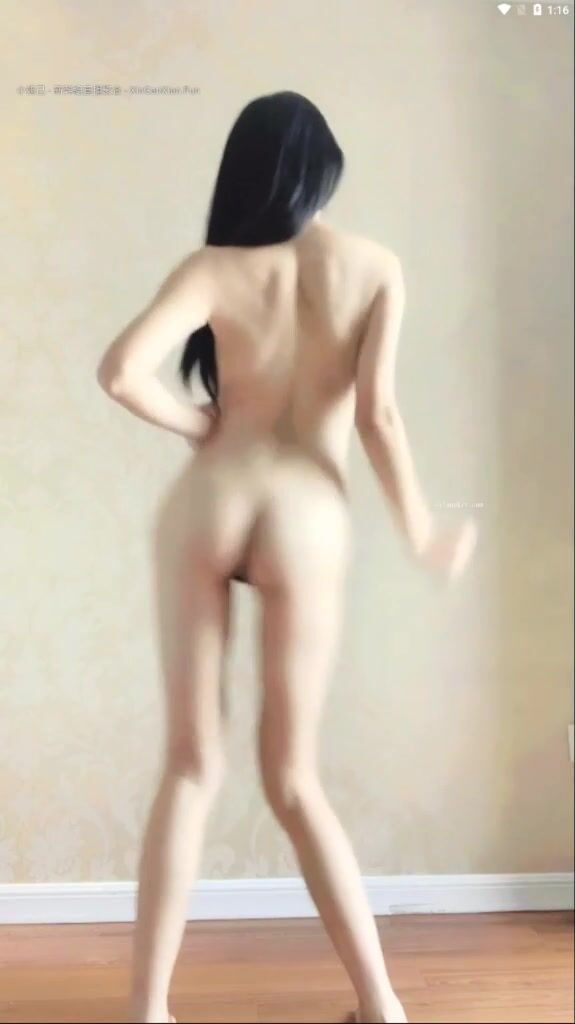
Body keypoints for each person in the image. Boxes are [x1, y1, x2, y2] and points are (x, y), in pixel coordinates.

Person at [97, 90, 477, 1024]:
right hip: (307, 514)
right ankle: (380, 1005)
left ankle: (148, 1010)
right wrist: (421, 531)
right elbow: (377, 416)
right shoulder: (375, 267)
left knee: (191, 765)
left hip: (210, 499)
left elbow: (120, 373)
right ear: (323, 172)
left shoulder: (214, 266)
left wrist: (202, 426)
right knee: (293, 778)